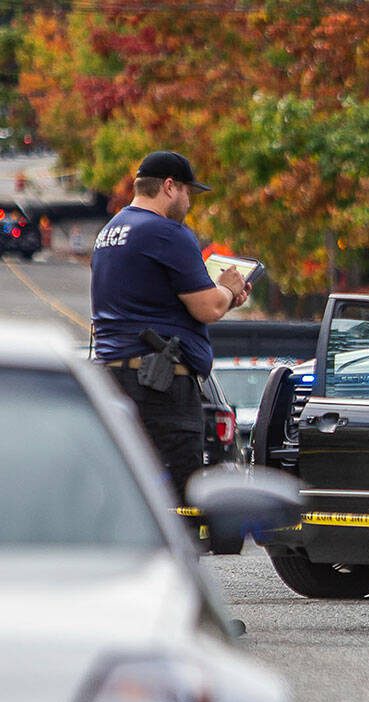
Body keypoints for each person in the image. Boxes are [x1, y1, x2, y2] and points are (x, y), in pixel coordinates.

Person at [91, 150, 251, 502]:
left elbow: (155, 299)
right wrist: (226, 288)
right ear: (169, 187)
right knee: (181, 491)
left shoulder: (112, 230)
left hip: (114, 377)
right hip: (159, 387)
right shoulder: (167, 233)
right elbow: (207, 307)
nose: (189, 201)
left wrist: (223, 296)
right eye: (187, 192)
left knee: (125, 487)